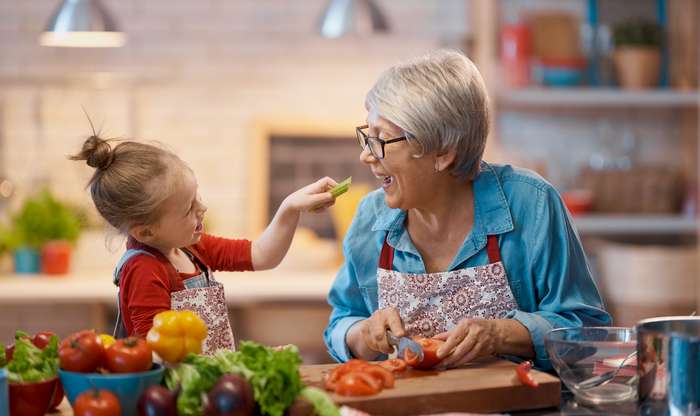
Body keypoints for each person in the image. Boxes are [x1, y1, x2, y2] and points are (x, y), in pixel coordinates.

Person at [323, 49, 610, 369]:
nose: (367, 155)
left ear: (444, 152)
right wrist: (363, 334)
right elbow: (341, 322)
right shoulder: (371, 217)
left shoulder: (532, 204)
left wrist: (503, 334)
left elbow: (585, 330)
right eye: (367, 135)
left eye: (382, 140)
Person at [72, 135, 337, 353]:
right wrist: (243, 364)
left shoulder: (191, 247)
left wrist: (290, 208)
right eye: (189, 209)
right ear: (146, 232)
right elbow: (156, 355)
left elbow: (262, 255)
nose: (203, 208)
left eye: (197, 195)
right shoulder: (144, 271)